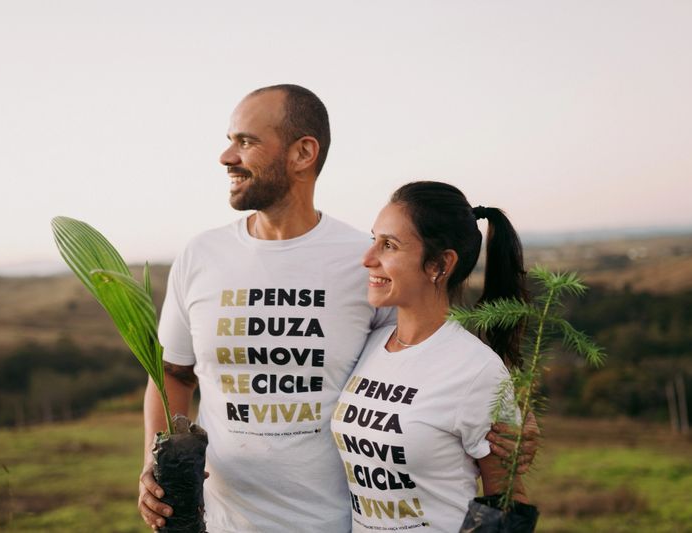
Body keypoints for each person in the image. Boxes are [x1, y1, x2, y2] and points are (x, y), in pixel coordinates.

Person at [138, 85, 536, 532]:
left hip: (336, 521)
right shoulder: (201, 255)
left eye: (246, 141)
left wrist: (507, 417)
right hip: (223, 522)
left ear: (303, 152)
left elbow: (427, 356)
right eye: (231, 140)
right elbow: (172, 373)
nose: (226, 156)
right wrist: (156, 464)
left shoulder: (359, 261)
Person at [331, 181, 530, 532]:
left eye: (388, 245)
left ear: (439, 264)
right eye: (373, 239)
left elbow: (508, 502)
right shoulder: (370, 345)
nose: (368, 258)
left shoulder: (477, 370)